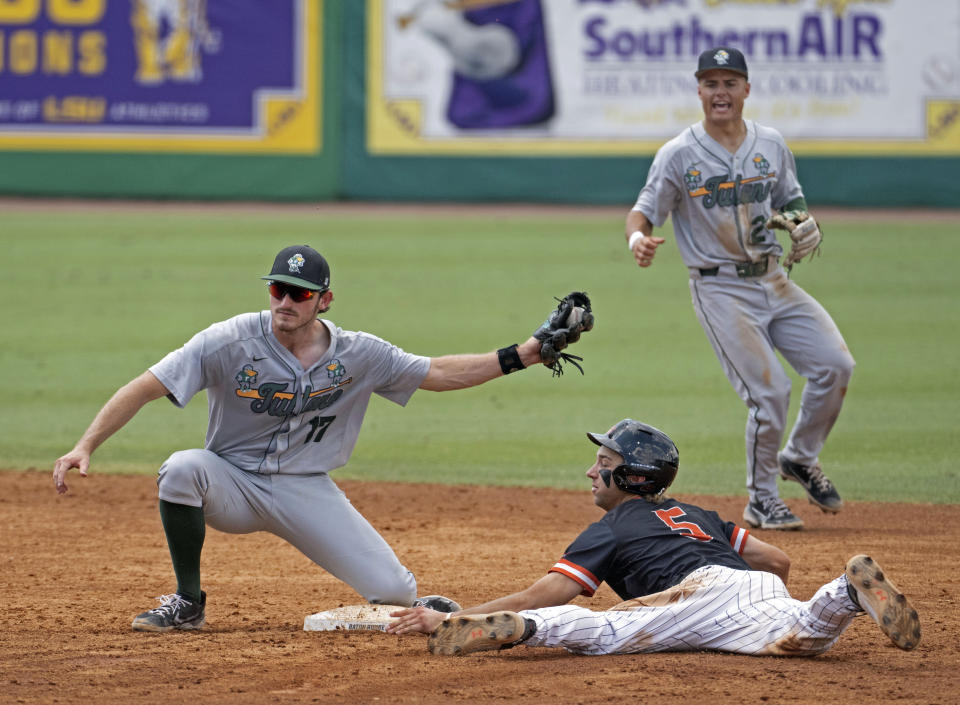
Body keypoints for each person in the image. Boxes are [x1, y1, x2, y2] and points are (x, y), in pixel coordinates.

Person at [52, 245, 591, 632]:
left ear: (324, 299)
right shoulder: (229, 339)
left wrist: (524, 353)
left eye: (299, 293)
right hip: (231, 483)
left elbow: (440, 372)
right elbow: (146, 385)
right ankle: (188, 601)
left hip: (305, 487)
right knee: (182, 468)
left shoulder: (360, 352)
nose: (284, 301)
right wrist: (86, 444)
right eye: (277, 289)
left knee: (397, 594)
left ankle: (404, 598)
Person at [387, 419, 921, 658]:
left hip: (692, 595)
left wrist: (450, 617)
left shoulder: (613, 527)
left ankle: (513, 632)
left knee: (599, 634)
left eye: (604, 464)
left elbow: (542, 592)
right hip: (755, 587)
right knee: (798, 635)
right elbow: (775, 558)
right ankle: (845, 594)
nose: (591, 473)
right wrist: (761, 596)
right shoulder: (696, 512)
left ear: (633, 477)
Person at [624, 47, 855, 530]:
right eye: (710, 83)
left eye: (730, 83)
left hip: (775, 278)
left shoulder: (770, 143)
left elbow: (791, 201)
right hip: (720, 290)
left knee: (835, 366)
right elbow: (643, 210)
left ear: (746, 89)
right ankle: (762, 500)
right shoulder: (679, 154)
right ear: (699, 91)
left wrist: (804, 224)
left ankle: (799, 457)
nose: (720, 92)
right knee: (769, 393)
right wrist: (638, 238)